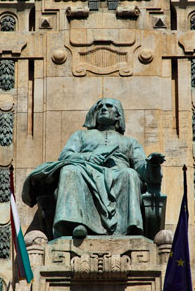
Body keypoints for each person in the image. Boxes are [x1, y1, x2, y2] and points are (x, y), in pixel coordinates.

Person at [22, 98, 165, 239]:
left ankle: (129, 227)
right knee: (70, 171)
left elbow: (140, 166)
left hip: (118, 174)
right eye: (99, 107)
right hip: (86, 170)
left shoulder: (130, 142)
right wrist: (88, 157)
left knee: (130, 174)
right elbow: (65, 156)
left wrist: (152, 164)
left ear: (118, 115)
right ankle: (76, 223)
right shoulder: (81, 135)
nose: (103, 108)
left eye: (109, 106)